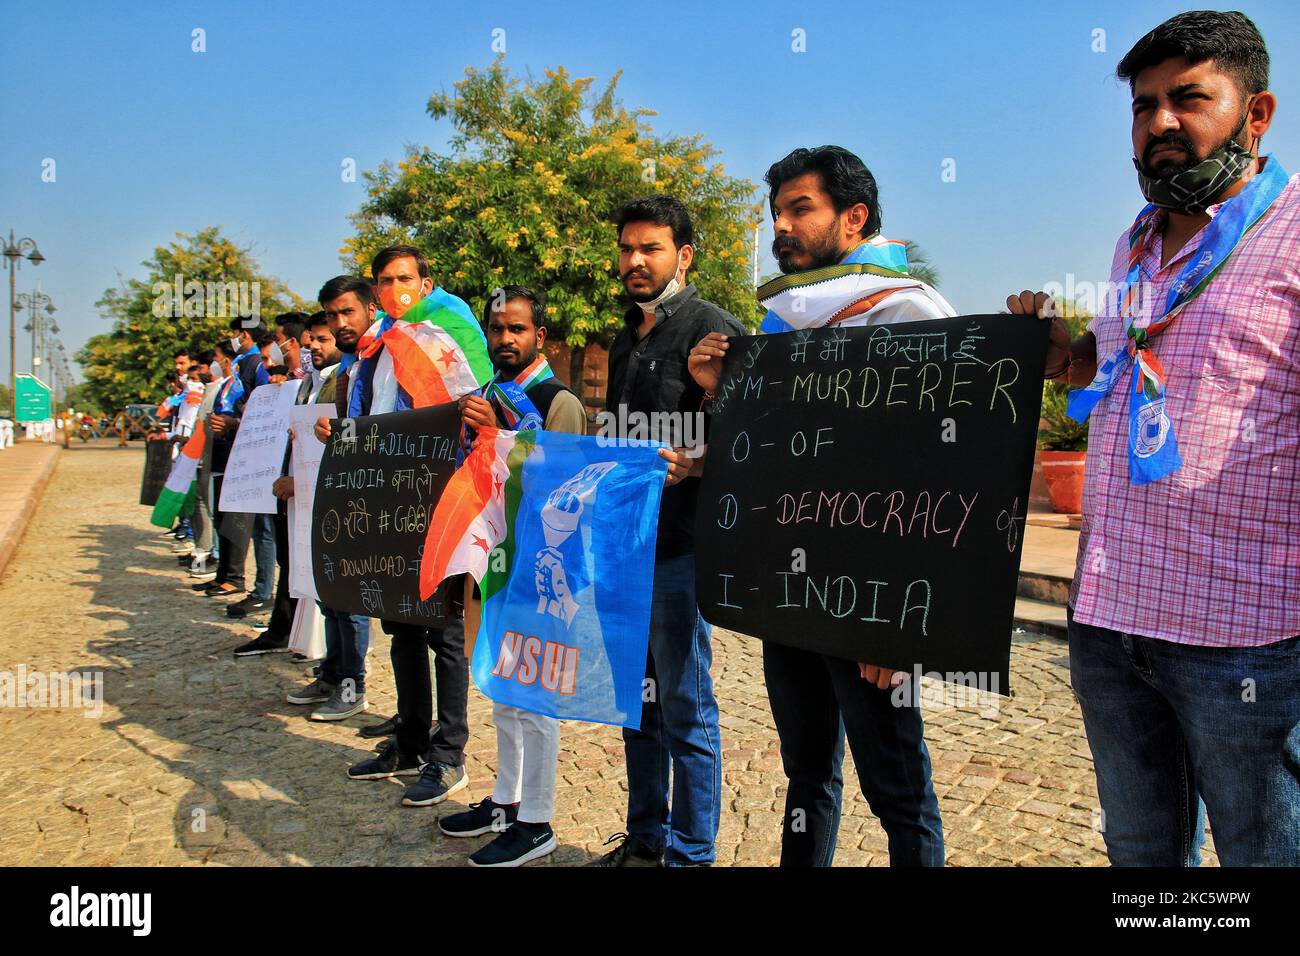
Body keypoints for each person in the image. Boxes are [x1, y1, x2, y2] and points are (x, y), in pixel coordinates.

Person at [1009, 9, 1299, 866]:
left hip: (1246, 639)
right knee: (1141, 857)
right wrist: (1064, 355)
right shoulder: (1133, 246)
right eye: (1143, 106)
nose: (1159, 122)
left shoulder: (1292, 238)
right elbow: (1124, 364)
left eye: (1188, 98)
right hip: (1111, 620)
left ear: (1257, 116)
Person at [687, 146, 951, 867]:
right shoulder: (784, 325)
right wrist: (721, 390)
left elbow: (937, 474)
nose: (782, 226)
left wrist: (896, 623)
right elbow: (772, 450)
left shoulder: (908, 311)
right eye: (777, 212)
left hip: (869, 601)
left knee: (897, 789)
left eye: (801, 209)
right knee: (806, 772)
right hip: (792, 587)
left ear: (854, 217)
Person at [589, 196, 743, 868]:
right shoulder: (626, 334)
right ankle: (645, 841)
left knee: (684, 705)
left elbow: (755, 436)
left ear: (683, 255)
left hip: (679, 549)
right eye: (626, 249)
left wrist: (701, 459)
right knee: (636, 705)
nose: (634, 261)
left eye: (649, 248)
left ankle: (690, 855)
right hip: (623, 547)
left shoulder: (714, 331)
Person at [436, 286, 587, 867]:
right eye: (497, 329)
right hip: (492, 564)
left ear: (538, 338)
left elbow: (566, 489)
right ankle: (504, 801)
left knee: (537, 698)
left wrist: (500, 434)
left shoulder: (557, 399)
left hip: (541, 570)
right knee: (502, 690)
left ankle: (538, 819)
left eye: (517, 330)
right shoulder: (484, 396)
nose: (505, 340)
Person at [322, 246, 478, 803]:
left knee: (446, 634)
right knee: (402, 628)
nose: (394, 289)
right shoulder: (370, 352)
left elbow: (469, 422)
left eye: (404, 279)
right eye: (384, 281)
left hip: (438, 508)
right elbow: (369, 421)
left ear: (424, 282)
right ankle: (410, 738)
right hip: (387, 509)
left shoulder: (443, 343)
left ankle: (449, 752)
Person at [290, 277, 377, 720]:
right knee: (330, 591)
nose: (340, 323)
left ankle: (353, 685)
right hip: (332, 493)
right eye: (331, 316)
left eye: (347, 313)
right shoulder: (344, 370)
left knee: (352, 597)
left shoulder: (384, 356)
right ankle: (332, 671)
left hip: (369, 498)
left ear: (370, 309)